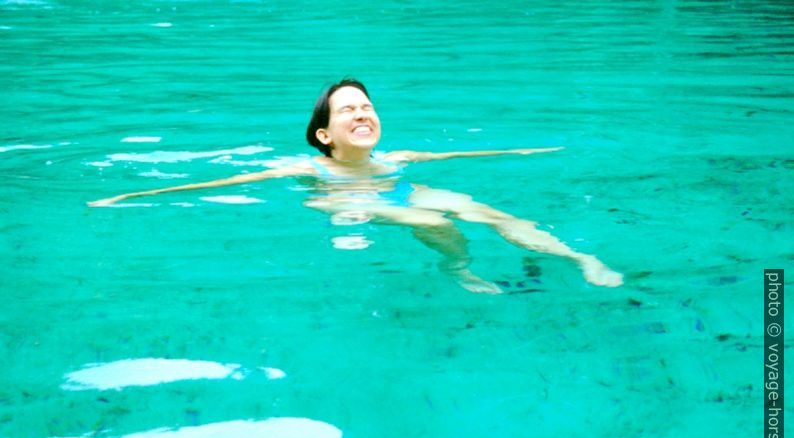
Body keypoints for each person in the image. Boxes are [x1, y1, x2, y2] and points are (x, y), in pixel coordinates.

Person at [88, 78, 623, 292]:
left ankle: (581, 261)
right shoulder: (308, 168)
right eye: (349, 110)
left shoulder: (399, 155)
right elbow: (225, 180)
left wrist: (523, 151)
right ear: (325, 134)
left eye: (367, 106)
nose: (363, 113)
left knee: (490, 212)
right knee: (433, 221)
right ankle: (460, 270)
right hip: (348, 198)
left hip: (396, 185)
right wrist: (132, 195)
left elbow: (465, 152)